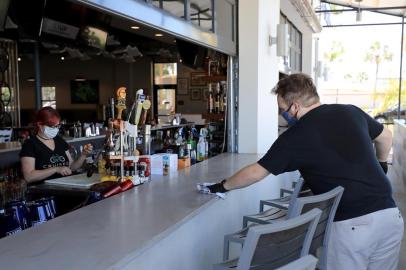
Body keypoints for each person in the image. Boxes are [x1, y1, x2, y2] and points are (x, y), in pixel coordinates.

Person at [207, 73, 403, 270]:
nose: (281, 114)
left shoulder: (296, 136)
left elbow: (256, 172)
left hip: (352, 224)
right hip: (390, 216)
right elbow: (385, 137)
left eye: (282, 109)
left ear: (295, 107)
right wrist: (382, 165)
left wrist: (222, 186)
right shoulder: (350, 111)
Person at [20, 106, 93, 184]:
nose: (55, 129)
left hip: (65, 186)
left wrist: (83, 155)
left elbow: (71, 167)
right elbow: (28, 177)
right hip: (43, 191)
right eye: (52, 126)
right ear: (39, 125)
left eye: (57, 126)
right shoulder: (30, 144)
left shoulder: (59, 140)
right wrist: (56, 169)